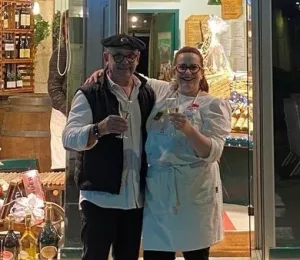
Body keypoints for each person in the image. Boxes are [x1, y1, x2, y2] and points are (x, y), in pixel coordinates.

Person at [86, 46, 231, 260]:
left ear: (202, 72)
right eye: (182, 67)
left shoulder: (214, 105)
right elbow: (131, 75)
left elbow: (213, 153)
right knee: (156, 254)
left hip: (193, 190)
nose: (187, 73)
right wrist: (104, 71)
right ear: (174, 70)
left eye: (193, 67)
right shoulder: (162, 92)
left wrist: (189, 130)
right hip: (159, 192)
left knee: (196, 253)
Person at [62, 34, 155, 260]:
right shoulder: (89, 93)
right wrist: (98, 129)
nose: (125, 61)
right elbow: (68, 137)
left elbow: (176, 88)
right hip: (100, 197)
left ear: (138, 58)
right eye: (118, 56)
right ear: (107, 58)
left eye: (131, 56)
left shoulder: (146, 90)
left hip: (134, 198)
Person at [48, 10, 69, 171]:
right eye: (68, 25)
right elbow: (54, 88)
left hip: (82, 115)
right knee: (61, 168)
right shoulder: (60, 53)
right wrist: (70, 110)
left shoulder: (88, 52)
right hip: (62, 117)